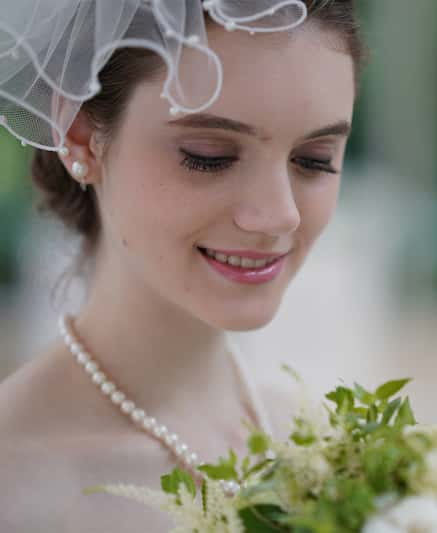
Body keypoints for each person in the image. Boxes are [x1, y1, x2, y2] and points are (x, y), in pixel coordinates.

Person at [0, 0, 363, 530]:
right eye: (209, 155)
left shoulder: (335, 449)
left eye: (315, 160)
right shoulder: (15, 479)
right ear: (80, 134)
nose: (278, 215)